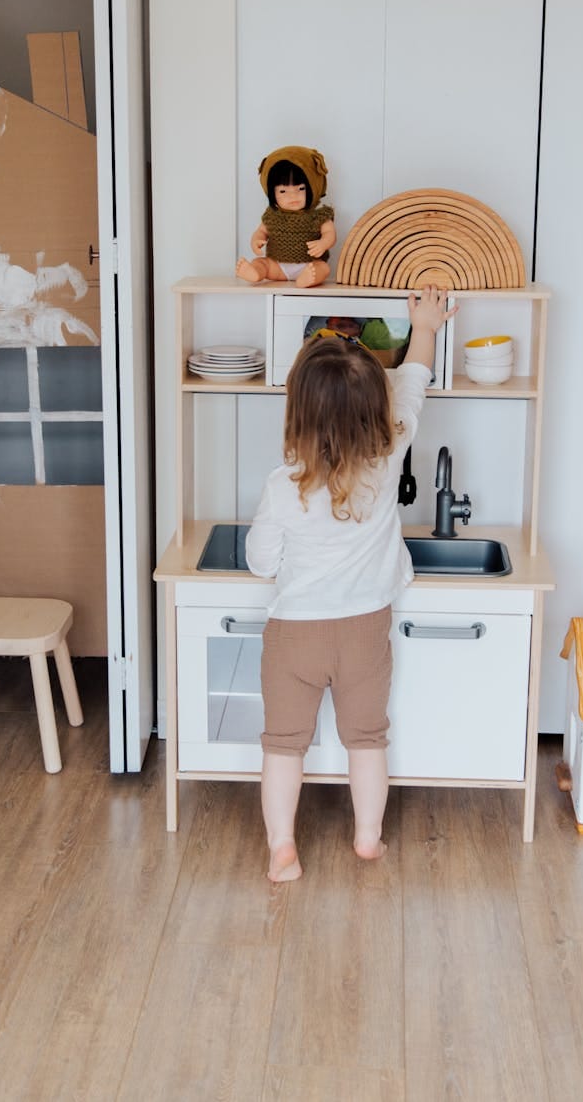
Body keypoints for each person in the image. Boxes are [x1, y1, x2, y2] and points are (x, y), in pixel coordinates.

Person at [245, 286, 455, 881]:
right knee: (367, 740)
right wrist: (426, 325)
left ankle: (282, 849)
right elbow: (413, 384)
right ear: (374, 411)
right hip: (365, 630)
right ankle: (367, 838)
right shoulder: (387, 459)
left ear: (297, 410)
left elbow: (262, 563)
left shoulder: (283, 484)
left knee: (283, 744)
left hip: (295, 637)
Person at [235, 145, 336, 288]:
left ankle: (307, 279)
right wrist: (256, 240)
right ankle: (255, 272)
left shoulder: (319, 214)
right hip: (277, 266)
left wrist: (323, 243)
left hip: (309, 264)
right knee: (261, 263)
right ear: (272, 193)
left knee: (323, 268)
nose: (293, 196)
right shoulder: (272, 215)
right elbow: (261, 231)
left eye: (300, 189)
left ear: (314, 186)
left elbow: (330, 233)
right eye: (283, 191)